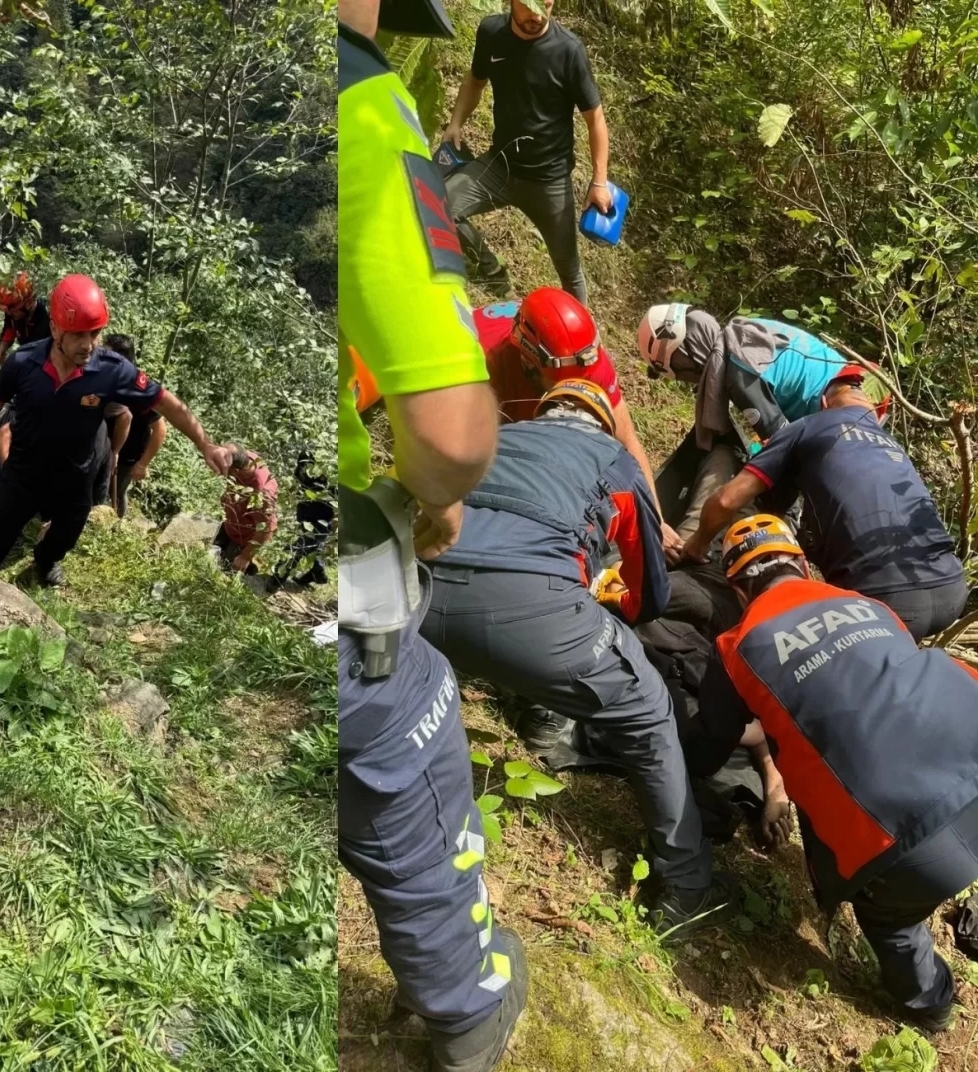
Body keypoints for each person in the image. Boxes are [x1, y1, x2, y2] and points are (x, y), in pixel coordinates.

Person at [339, 0, 523, 1066]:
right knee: (406, 727)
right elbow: (450, 437)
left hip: (233, 510)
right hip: (344, 535)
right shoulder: (357, 100)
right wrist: (437, 501)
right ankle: (467, 999)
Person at [419, 380, 723, 930]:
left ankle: (541, 717)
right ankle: (688, 879)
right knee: (648, 709)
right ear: (604, 423)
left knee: (532, 630)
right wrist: (605, 602)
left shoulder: (494, 437)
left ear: (542, 413)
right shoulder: (615, 461)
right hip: (531, 611)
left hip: (420, 597)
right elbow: (650, 595)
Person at [684, 514, 978, 1032]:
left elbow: (710, 746)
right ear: (800, 562)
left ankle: (932, 1008)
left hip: (903, 844)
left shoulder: (738, 645)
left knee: (890, 919)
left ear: (737, 587)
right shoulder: (869, 605)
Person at [0, 273, 232, 586]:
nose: (89, 344)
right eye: (78, 335)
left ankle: (45, 562)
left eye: (95, 333)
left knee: (64, 538)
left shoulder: (110, 370)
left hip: (76, 476)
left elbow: (165, 402)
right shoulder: (23, 362)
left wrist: (205, 443)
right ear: (56, 328)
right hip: (23, 472)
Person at [681, 367, 967, 640]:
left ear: (823, 402)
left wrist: (697, 544)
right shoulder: (893, 446)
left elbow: (726, 499)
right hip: (952, 591)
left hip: (881, 599)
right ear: (878, 414)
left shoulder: (808, 427)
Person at [637, 304, 891, 540]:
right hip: (857, 394)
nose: (684, 380)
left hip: (840, 415)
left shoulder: (738, 371)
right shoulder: (741, 333)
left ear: (684, 355)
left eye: (677, 371)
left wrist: (776, 510)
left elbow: (785, 447)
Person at [476, 287, 682, 560]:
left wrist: (654, 520)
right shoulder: (481, 366)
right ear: (529, 362)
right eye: (563, 384)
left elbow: (628, 439)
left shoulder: (586, 360)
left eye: (582, 381)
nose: (574, 392)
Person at [441, 0, 610, 301]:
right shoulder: (491, 32)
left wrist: (598, 182)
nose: (536, 14)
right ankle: (491, 272)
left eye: (545, 4)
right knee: (440, 205)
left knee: (570, 272)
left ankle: (581, 343)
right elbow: (475, 81)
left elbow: (594, 118)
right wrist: (456, 122)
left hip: (549, 182)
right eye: (528, 5)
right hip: (500, 165)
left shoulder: (569, 50)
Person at [90, 334, 168, 513]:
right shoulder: (104, 379)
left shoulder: (139, 389)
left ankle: (116, 529)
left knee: (115, 493)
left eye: (107, 354)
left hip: (127, 455)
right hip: (103, 447)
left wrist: (143, 464)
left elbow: (160, 429)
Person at [272, 449, 335, 588]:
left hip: (321, 522)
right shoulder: (300, 474)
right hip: (308, 519)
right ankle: (318, 573)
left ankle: (277, 579)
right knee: (314, 548)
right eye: (302, 465)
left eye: (308, 465)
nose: (304, 468)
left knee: (295, 550)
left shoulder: (326, 479)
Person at [214, 450, 278, 574]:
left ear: (235, 472)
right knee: (213, 552)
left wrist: (245, 556)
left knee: (225, 569)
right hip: (231, 524)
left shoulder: (261, 494)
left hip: (244, 538)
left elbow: (267, 528)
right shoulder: (241, 457)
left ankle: (250, 569)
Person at [0, 272, 52, 366]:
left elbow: (35, 350)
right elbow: (10, 327)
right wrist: (2, 348)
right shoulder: (13, 312)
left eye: (13, 310)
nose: (9, 313)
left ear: (28, 304)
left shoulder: (44, 317)